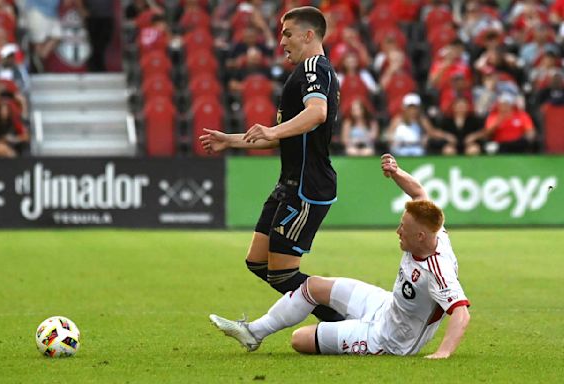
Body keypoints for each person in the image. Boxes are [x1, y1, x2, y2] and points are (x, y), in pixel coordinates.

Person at [210, 154, 471, 359]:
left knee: (299, 340)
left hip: (390, 339)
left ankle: (352, 329)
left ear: (422, 237)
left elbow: (461, 313)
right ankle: (252, 333)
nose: (398, 231)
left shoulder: (438, 270)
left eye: (404, 228)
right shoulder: (435, 231)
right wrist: (396, 172)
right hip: (384, 305)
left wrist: (443, 352)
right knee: (311, 287)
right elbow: (419, 194)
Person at [199, 6, 343, 322]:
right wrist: (231, 140)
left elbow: (317, 113)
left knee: (282, 274)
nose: (281, 42)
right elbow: (283, 137)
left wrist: (274, 129)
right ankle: (345, 318)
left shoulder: (314, 68)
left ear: (308, 35)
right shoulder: (304, 72)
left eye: (287, 34)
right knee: (257, 262)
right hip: (289, 183)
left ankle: (350, 317)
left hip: (307, 185)